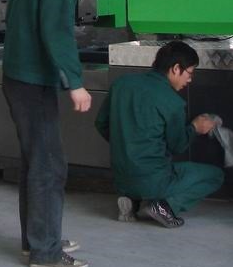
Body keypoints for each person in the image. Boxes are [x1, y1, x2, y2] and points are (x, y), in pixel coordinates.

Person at [1, 0, 104, 267]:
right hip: (33, 79)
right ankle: (45, 251)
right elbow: (55, 28)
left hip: (19, 74)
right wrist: (74, 82)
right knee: (48, 165)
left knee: (36, 162)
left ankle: (36, 240)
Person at [94, 41, 225, 228]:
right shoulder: (172, 102)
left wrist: (126, 141)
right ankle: (165, 206)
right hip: (154, 179)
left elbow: (101, 123)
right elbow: (177, 145)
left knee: (142, 177)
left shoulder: (121, 85)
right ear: (176, 69)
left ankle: (131, 200)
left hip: (120, 178)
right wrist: (195, 128)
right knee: (215, 175)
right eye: (189, 73)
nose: (190, 79)